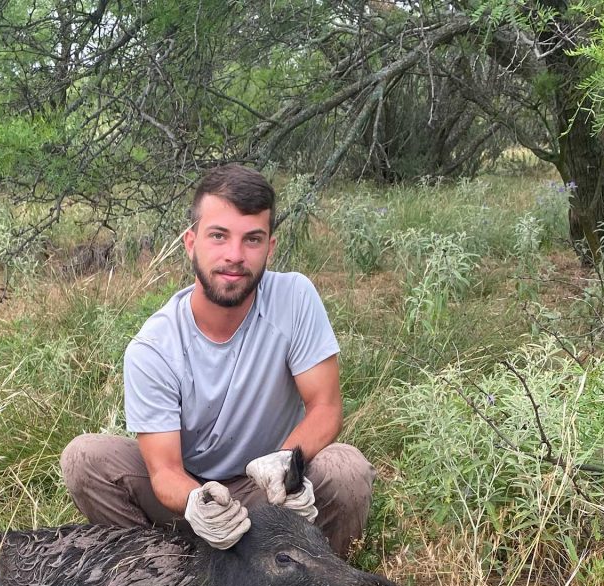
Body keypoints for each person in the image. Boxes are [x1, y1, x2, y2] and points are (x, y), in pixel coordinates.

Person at [61, 164, 376, 556]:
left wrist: (286, 463)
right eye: (218, 236)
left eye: (252, 240)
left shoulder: (295, 298)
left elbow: (325, 407)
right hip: (189, 498)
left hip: (269, 490)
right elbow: (165, 471)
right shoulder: (154, 347)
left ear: (270, 248)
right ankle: (160, 575)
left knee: (347, 471)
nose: (234, 256)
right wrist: (199, 503)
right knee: (85, 458)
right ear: (191, 243)